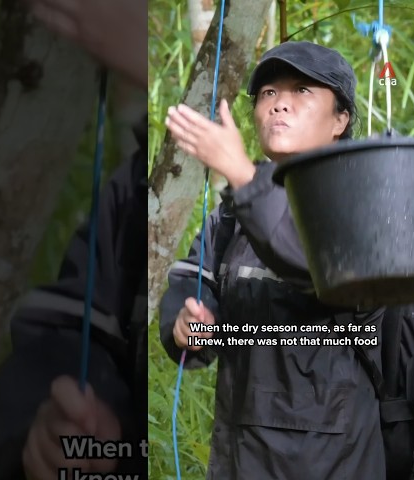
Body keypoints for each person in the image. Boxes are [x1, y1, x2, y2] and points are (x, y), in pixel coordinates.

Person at [161, 40, 386, 479]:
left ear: (340, 119)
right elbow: (193, 282)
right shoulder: (230, 215)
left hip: (333, 460)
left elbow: (318, 264)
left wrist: (242, 175)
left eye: (302, 91)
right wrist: (187, 325)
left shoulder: (362, 200)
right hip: (239, 455)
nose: (279, 104)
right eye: (268, 93)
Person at [0, 1, 148, 479]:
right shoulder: (135, 192)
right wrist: (53, 438)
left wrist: (152, 61)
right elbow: (65, 342)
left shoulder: (332, 190)